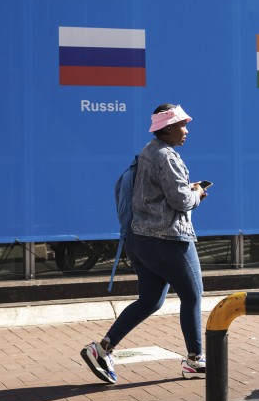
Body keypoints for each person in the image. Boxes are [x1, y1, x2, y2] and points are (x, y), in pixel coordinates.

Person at [81, 103, 209, 384]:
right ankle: (195, 360)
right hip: (169, 240)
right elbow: (180, 201)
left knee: (150, 300)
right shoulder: (167, 157)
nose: (186, 131)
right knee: (192, 295)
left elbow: (155, 197)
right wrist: (197, 193)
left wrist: (187, 191)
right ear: (168, 128)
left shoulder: (147, 152)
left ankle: (101, 349)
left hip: (140, 240)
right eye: (182, 125)